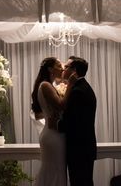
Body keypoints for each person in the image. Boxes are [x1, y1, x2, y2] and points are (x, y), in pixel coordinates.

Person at [31, 57, 76, 186]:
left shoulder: (48, 85)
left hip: (54, 133)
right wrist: (70, 85)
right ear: (50, 69)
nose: (62, 68)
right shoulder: (45, 85)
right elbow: (61, 105)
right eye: (58, 65)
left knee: (56, 170)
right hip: (53, 135)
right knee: (53, 170)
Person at [58, 56, 97, 186]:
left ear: (74, 71)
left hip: (78, 150)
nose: (63, 69)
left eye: (66, 67)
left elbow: (73, 123)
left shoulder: (77, 91)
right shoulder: (83, 87)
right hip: (84, 148)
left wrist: (56, 124)